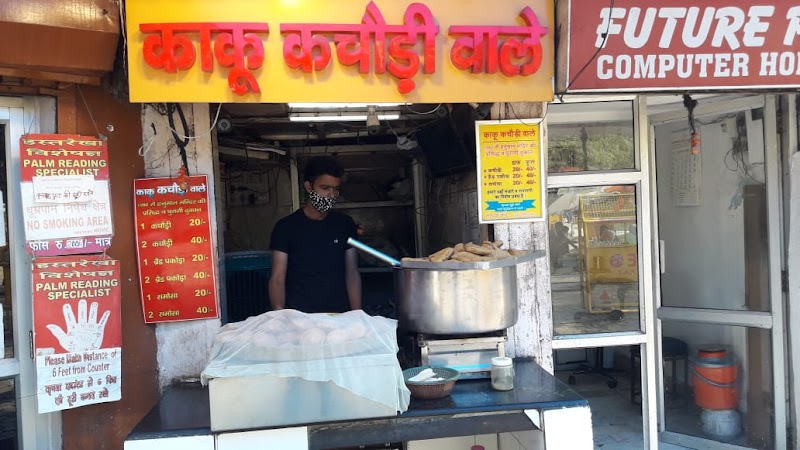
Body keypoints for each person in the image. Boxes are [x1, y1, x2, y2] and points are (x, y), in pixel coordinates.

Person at [268, 156, 362, 313]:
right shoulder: (285, 228)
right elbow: (277, 279)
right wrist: (280, 317)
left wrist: (358, 315)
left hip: (340, 316)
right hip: (299, 319)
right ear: (309, 186)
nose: (331, 194)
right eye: (325, 188)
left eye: (335, 189)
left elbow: (352, 273)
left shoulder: (345, 225)